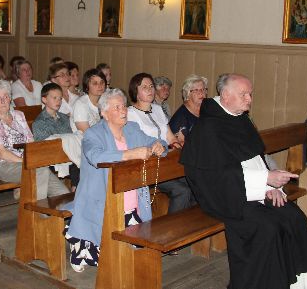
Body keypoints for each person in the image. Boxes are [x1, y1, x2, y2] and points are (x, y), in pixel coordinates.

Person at [181, 73, 307, 289]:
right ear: (226, 95)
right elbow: (216, 176)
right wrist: (265, 180)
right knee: (268, 228)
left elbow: (254, 158)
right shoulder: (209, 128)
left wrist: (270, 186)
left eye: (250, 94)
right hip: (223, 197)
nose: (249, 99)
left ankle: (296, 284)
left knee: (294, 217)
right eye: (244, 94)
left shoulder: (239, 119)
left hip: (249, 188)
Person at [65, 88, 166, 272]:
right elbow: (95, 156)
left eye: (124, 106)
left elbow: (158, 142)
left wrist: (158, 145)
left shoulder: (132, 129)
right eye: (116, 107)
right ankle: (79, 242)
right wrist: (129, 154)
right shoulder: (93, 134)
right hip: (100, 199)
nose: (123, 111)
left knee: (133, 255)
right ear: (104, 113)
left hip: (132, 199)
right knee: (99, 260)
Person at [0, 80, 69, 198]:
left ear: (10, 99)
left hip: (29, 163)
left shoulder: (19, 115)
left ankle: (54, 213)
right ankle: (36, 213)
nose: (3, 101)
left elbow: (30, 142)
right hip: (5, 165)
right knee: (40, 171)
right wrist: (27, 162)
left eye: (6, 96)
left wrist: (33, 161)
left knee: (63, 193)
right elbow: (1, 153)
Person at [127, 73, 195, 213]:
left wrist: (180, 148)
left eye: (151, 86)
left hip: (165, 163)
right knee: (182, 191)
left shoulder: (158, 109)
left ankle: (188, 226)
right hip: (147, 166)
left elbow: (170, 138)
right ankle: (172, 231)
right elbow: (134, 143)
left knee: (196, 182)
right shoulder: (130, 113)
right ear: (136, 91)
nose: (150, 89)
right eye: (144, 87)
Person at [32, 83, 82, 186]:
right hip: (52, 158)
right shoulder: (39, 122)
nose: (58, 101)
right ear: (44, 100)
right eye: (54, 98)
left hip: (69, 155)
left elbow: (73, 139)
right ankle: (77, 190)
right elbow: (44, 147)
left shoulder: (64, 118)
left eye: (60, 98)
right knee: (78, 166)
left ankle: (77, 189)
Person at [168, 74, 208, 142]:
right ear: (188, 94)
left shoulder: (207, 110)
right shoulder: (181, 117)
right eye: (196, 90)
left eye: (203, 89)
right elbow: (177, 146)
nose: (201, 93)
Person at [70, 68, 107, 134]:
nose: (100, 86)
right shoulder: (81, 104)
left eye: (102, 82)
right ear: (87, 86)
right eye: (95, 83)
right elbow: (87, 134)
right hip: (84, 142)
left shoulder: (106, 101)